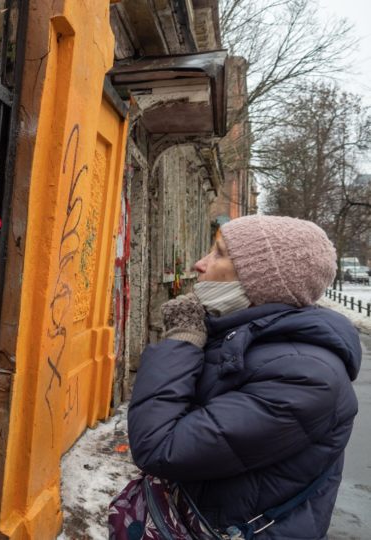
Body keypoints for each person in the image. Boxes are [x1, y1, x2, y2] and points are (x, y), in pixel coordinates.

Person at [127, 215, 360, 540]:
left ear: (262, 281)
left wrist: (181, 341)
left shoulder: (306, 375)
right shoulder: (241, 339)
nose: (199, 264)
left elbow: (159, 447)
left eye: (219, 254)